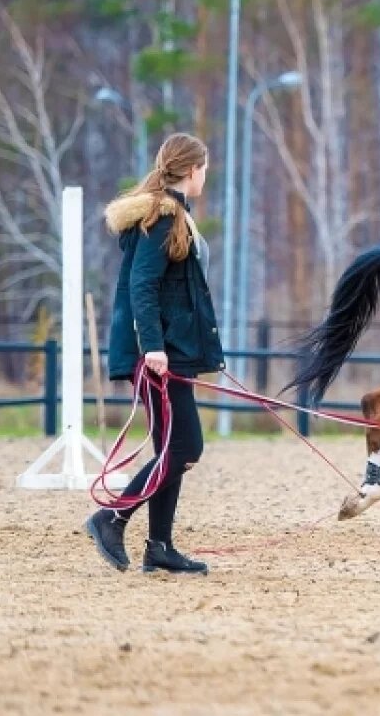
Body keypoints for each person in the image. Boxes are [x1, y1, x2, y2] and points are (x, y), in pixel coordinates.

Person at [84, 132, 225, 575]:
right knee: (185, 446)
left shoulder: (173, 214)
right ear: (192, 169)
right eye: (204, 169)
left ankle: (159, 547)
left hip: (171, 351)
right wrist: (153, 348)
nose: (205, 176)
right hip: (159, 355)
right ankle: (111, 518)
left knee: (171, 449)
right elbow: (141, 286)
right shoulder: (162, 218)